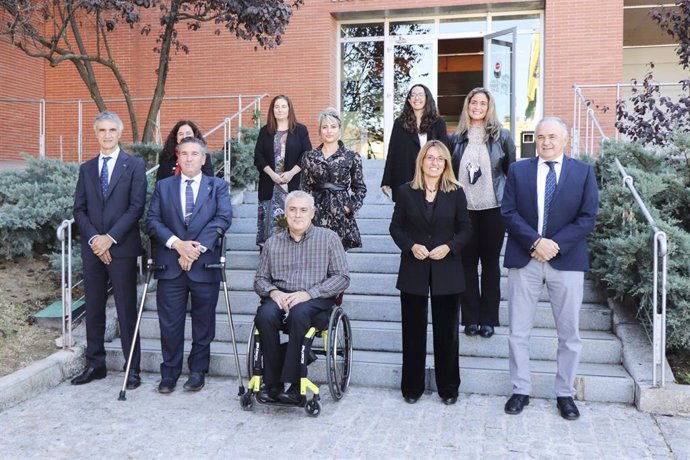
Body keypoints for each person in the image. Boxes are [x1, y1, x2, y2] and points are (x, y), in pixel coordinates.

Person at [501, 116, 598, 420]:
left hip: (566, 261)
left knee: (569, 334)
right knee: (518, 331)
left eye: (552, 137)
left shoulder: (583, 172)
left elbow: (588, 217)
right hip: (525, 258)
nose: (545, 142)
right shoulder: (518, 170)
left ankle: (565, 394)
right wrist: (535, 242)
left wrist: (554, 244)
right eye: (540, 137)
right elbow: (508, 211)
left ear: (565, 139)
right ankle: (520, 389)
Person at [146, 136, 232, 393]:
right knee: (170, 323)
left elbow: (222, 219)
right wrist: (177, 244)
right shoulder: (164, 186)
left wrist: (193, 249)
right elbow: (152, 221)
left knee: (203, 322)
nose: (189, 158)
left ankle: (197, 371)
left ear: (203, 159)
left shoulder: (217, 186)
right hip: (170, 265)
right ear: (178, 157)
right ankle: (169, 373)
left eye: (195, 154)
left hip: (204, 265)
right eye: (184, 153)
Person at [389, 140, 472, 405]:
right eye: (429, 158)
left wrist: (449, 247)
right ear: (421, 161)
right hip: (414, 268)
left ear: (446, 164)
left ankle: (448, 388)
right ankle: (412, 387)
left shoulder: (457, 192)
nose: (434, 162)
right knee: (412, 332)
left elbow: (466, 229)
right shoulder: (405, 192)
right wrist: (410, 246)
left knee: (447, 334)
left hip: (447, 270)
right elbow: (396, 228)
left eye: (440, 159)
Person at [71, 111, 147, 388]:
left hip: (122, 249)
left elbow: (136, 207)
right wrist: (95, 239)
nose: (107, 135)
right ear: (96, 133)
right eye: (101, 130)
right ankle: (96, 364)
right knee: (93, 308)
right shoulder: (86, 168)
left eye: (111, 130)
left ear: (119, 133)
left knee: (127, 309)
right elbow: (79, 209)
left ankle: (132, 367)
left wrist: (110, 238)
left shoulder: (134, 165)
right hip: (93, 250)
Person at [253, 190, 350, 405]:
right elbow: (259, 279)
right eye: (293, 209)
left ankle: (296, 387)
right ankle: (272, 385)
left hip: (315, 299)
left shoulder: (329, 238)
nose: (297, 215)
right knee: (265, 315)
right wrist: (273, 292)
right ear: (285, 213)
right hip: (280, 297)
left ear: (312, 213)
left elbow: (342, 277)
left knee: (299, 314)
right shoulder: (272, 243)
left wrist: (308, 294)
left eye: (303, 210)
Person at [450, 87, 517, 339]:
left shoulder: (503, 137)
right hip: (464, 211)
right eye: (473, 102)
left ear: (489, 108)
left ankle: (488, 319)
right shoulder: (454, 138)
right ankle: (470, 318)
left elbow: (512, 175)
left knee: (490, 264)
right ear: (467, 106)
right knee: (466, 265)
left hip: (493, 209)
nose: (477, 107)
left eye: (482, 103)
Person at [300, 107, 367, 251]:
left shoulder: (351, 156)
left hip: (340, 214)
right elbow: (304, 189)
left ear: (339, 130)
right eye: (325, 127)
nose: (329, 131)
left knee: (338, 261)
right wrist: (307, 212)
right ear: (319, 131)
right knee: (315, 259)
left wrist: (348, 207)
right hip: (316, 215)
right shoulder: (309, 156)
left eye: (333, 127)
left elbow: (360, 188)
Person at [254, 95, 312, 248]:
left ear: (289, 109)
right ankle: (269, 260)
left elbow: (307, 155)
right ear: (272, 110)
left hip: (292, 185)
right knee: (269, 227)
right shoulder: (265, 131)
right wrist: (272, 174)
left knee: (293, 222)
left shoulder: (300, 130)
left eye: (283, 106)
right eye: (276, 107)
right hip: (269, 185)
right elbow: (258, 157)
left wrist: (291, 173)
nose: (280, 110)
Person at [381, 84, 449, 202]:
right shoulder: (399, 123)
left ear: (427, 98)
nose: (416, 98)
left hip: (431, 177)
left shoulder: (438, 123)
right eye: (413, 95)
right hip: (405, 176)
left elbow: (445, 152)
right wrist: (386, 180)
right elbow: (392, 152)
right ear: (409, 100)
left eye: (420, 94)